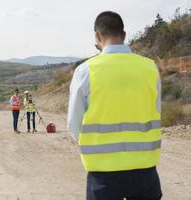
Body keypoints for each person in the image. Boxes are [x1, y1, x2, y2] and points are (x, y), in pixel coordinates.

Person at [67, 11, 162, 200]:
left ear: (97, 36)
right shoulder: (150, 67)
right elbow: (156, 112)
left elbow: (73, 125)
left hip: (103, 172)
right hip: (145, 169)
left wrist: (95, 146)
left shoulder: (86, 71)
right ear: (124, 35)